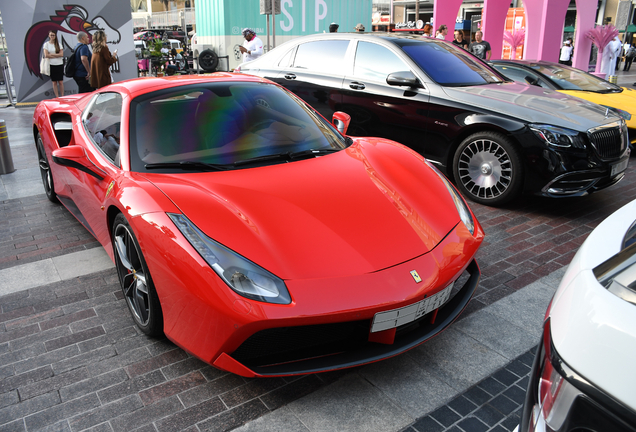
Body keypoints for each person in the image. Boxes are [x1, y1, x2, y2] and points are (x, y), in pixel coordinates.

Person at [43, 31, 64, 97]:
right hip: (51, 65)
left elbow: (61, 54)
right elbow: (46, 55)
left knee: (60, 82)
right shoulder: (46, 44)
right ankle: (57, 96)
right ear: (49, 36)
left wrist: (51, 54)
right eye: (51, 35)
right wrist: (56, 55)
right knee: (54, 82)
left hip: (59, 64)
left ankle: (62, 96)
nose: (52, 36)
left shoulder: (59, 44)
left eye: (53, 35)